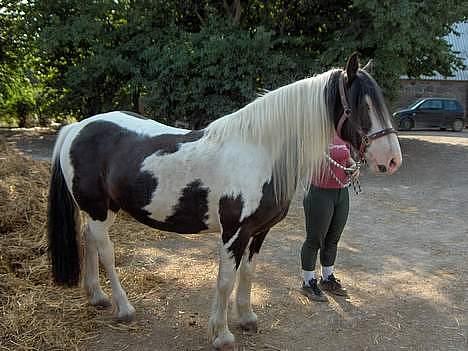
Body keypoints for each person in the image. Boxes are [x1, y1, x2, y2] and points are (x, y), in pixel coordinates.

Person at [301, 133, 359, 301]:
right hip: (320, 193)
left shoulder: (342, 133)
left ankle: (327, 278)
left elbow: (347, 158)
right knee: (314, 240)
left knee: (333, 239)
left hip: (341, 192)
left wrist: (353, 166)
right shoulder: (315, 132)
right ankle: (307, 282)